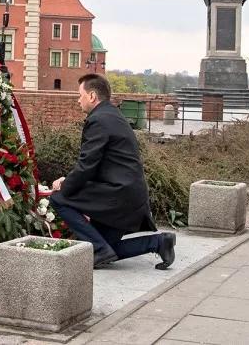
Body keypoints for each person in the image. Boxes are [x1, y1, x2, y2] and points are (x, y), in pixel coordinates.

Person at [48, 74, 176, 270]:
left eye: (80, 95)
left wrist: (65, 184)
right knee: (107, 249)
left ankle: (100, 249)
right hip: (129, 194)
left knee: (58, 198)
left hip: (118, 195)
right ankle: (159, 243)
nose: (78, 100)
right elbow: (98, 163)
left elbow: (87, 165)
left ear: (92, 96)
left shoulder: (98, 120)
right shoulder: (113, 115)